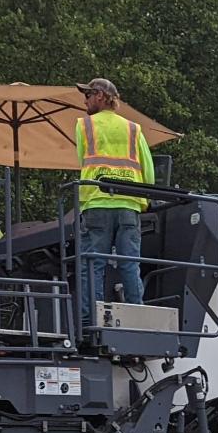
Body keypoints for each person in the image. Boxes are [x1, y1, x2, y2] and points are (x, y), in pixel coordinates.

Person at [74, 78, 154, 326]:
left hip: (97, 204)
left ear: (100, 96)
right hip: (128, 207)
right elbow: (148, 171)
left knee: (93, 265)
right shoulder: (133, 129)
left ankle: (93, 321)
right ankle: (137, 318)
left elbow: (82, 161)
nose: (84, 100)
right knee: (130, 264)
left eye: (87, 95)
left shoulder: (84, 125)